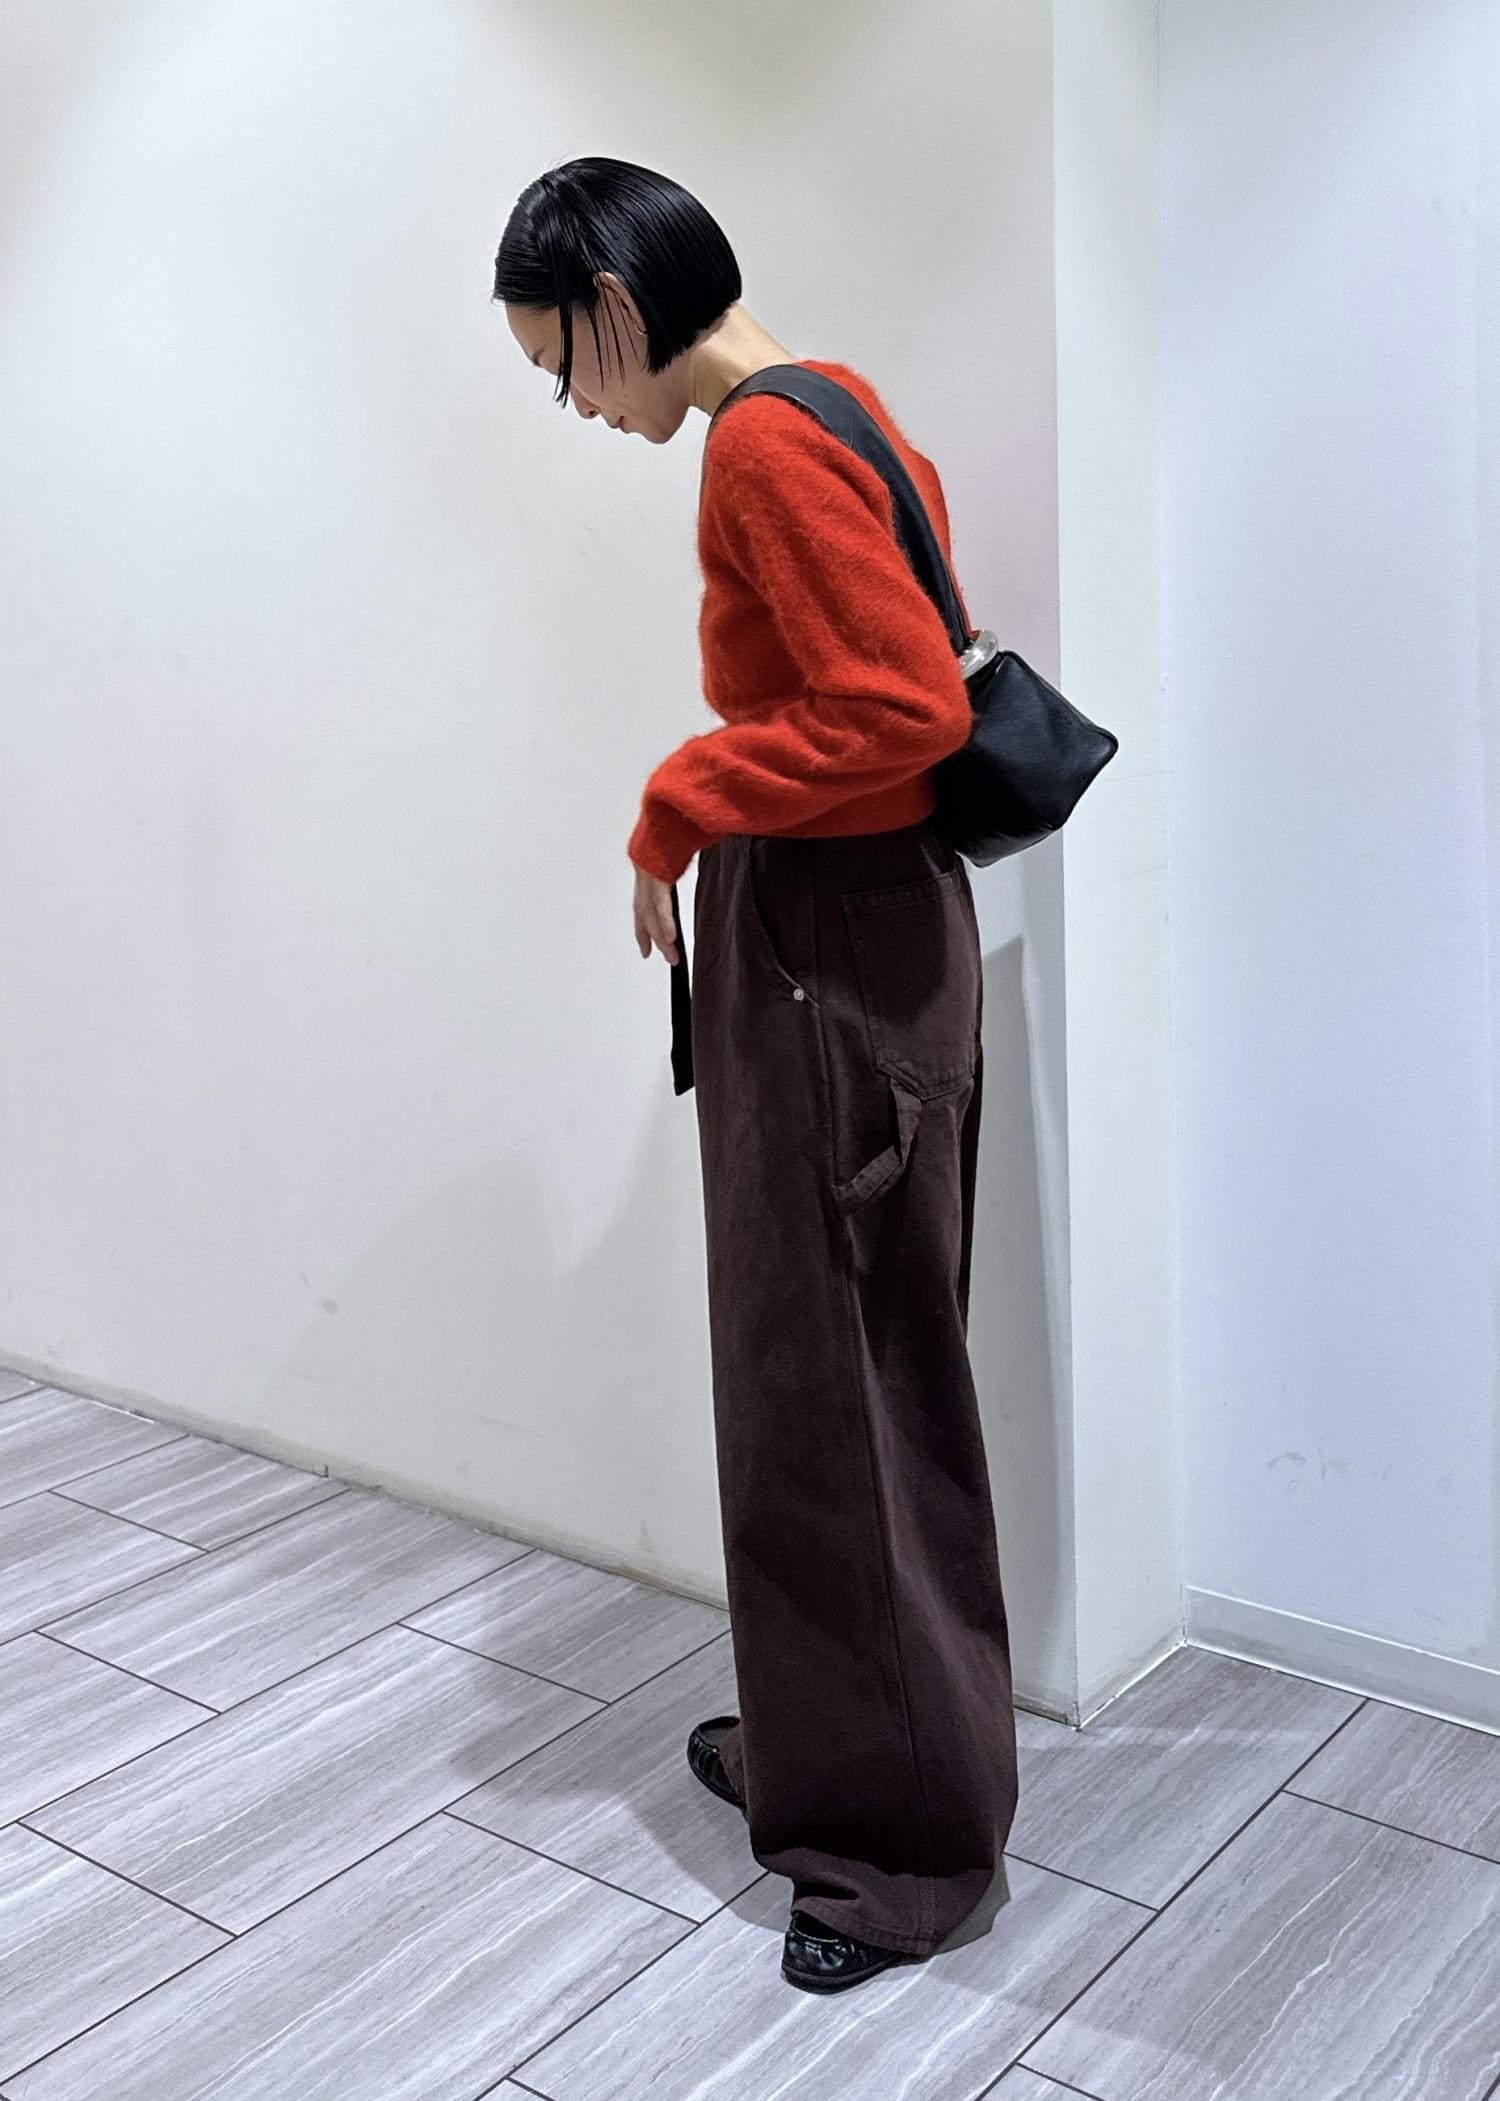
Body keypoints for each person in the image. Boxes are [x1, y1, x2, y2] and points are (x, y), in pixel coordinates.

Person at [495, 155, 1018, 1995]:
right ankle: (827, 1745)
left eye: (559, 364)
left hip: (832, 959)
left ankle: (898, 1848)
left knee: (845, 1399)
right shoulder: (833, 399)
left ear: (613, 310)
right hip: (850, 943)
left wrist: (676, 798)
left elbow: (903, 709)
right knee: (818, 1380)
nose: (573, 406)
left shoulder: (763, 447)